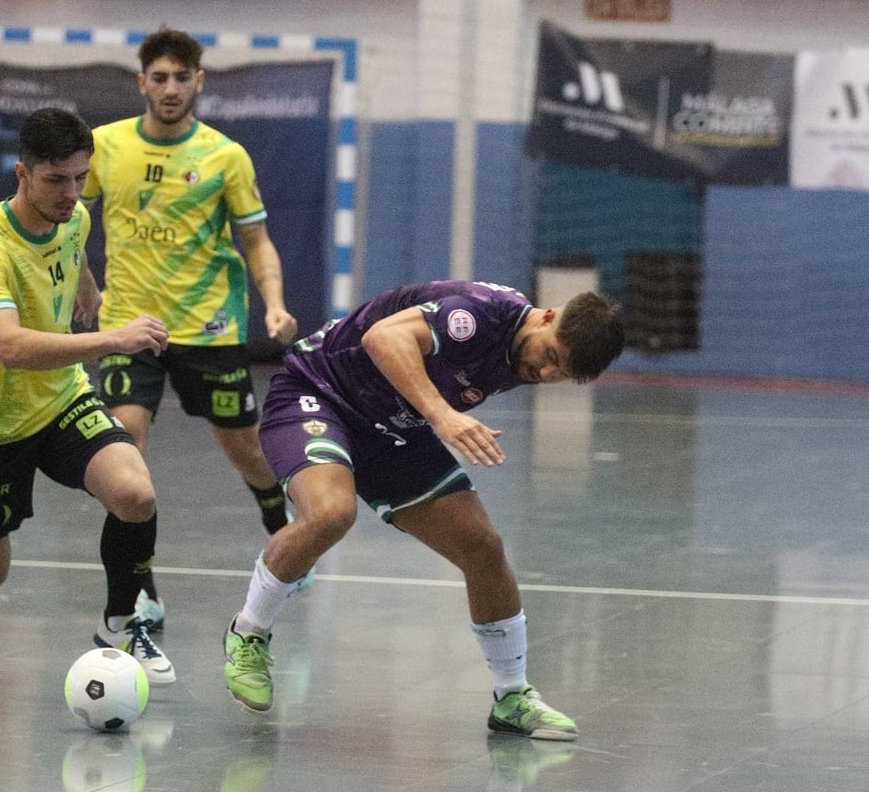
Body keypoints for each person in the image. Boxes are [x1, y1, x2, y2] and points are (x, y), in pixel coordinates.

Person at [222, 280, 625, 740]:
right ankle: (249, 632)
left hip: (394, 427)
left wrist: (428, 416)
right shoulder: (475, 317)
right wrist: (442, 416)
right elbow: (383, 338)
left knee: (482, 546)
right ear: (549, 316)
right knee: (332, 513)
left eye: (562, 375)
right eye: (551, 356)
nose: (546, 373)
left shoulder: (527, 354)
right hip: (318, 394)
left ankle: (512, 696)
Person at [0, 106, 176, 687]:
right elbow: (10, 346)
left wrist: (89, 290)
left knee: (135, 492)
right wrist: (114, 336)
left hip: (61, 400)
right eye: (56, 180)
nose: (72, 194)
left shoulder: (74, 218)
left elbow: (76, 252)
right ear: (22, 173)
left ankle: (121, 622)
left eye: (80, 178)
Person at [81, 27, 300, 629]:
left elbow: (255, 241)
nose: (171, 88)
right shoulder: (105, 146)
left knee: (247, 450)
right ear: (141, 82)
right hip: (130, 327)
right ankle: (140, 587)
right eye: (159, 77)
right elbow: (71, 220)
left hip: (210, 328)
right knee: (125, 449)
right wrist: (83, 285)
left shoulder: (224, 156)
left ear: (198, 82)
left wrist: (273, 303)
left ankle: (277, 521)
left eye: (182, 77)